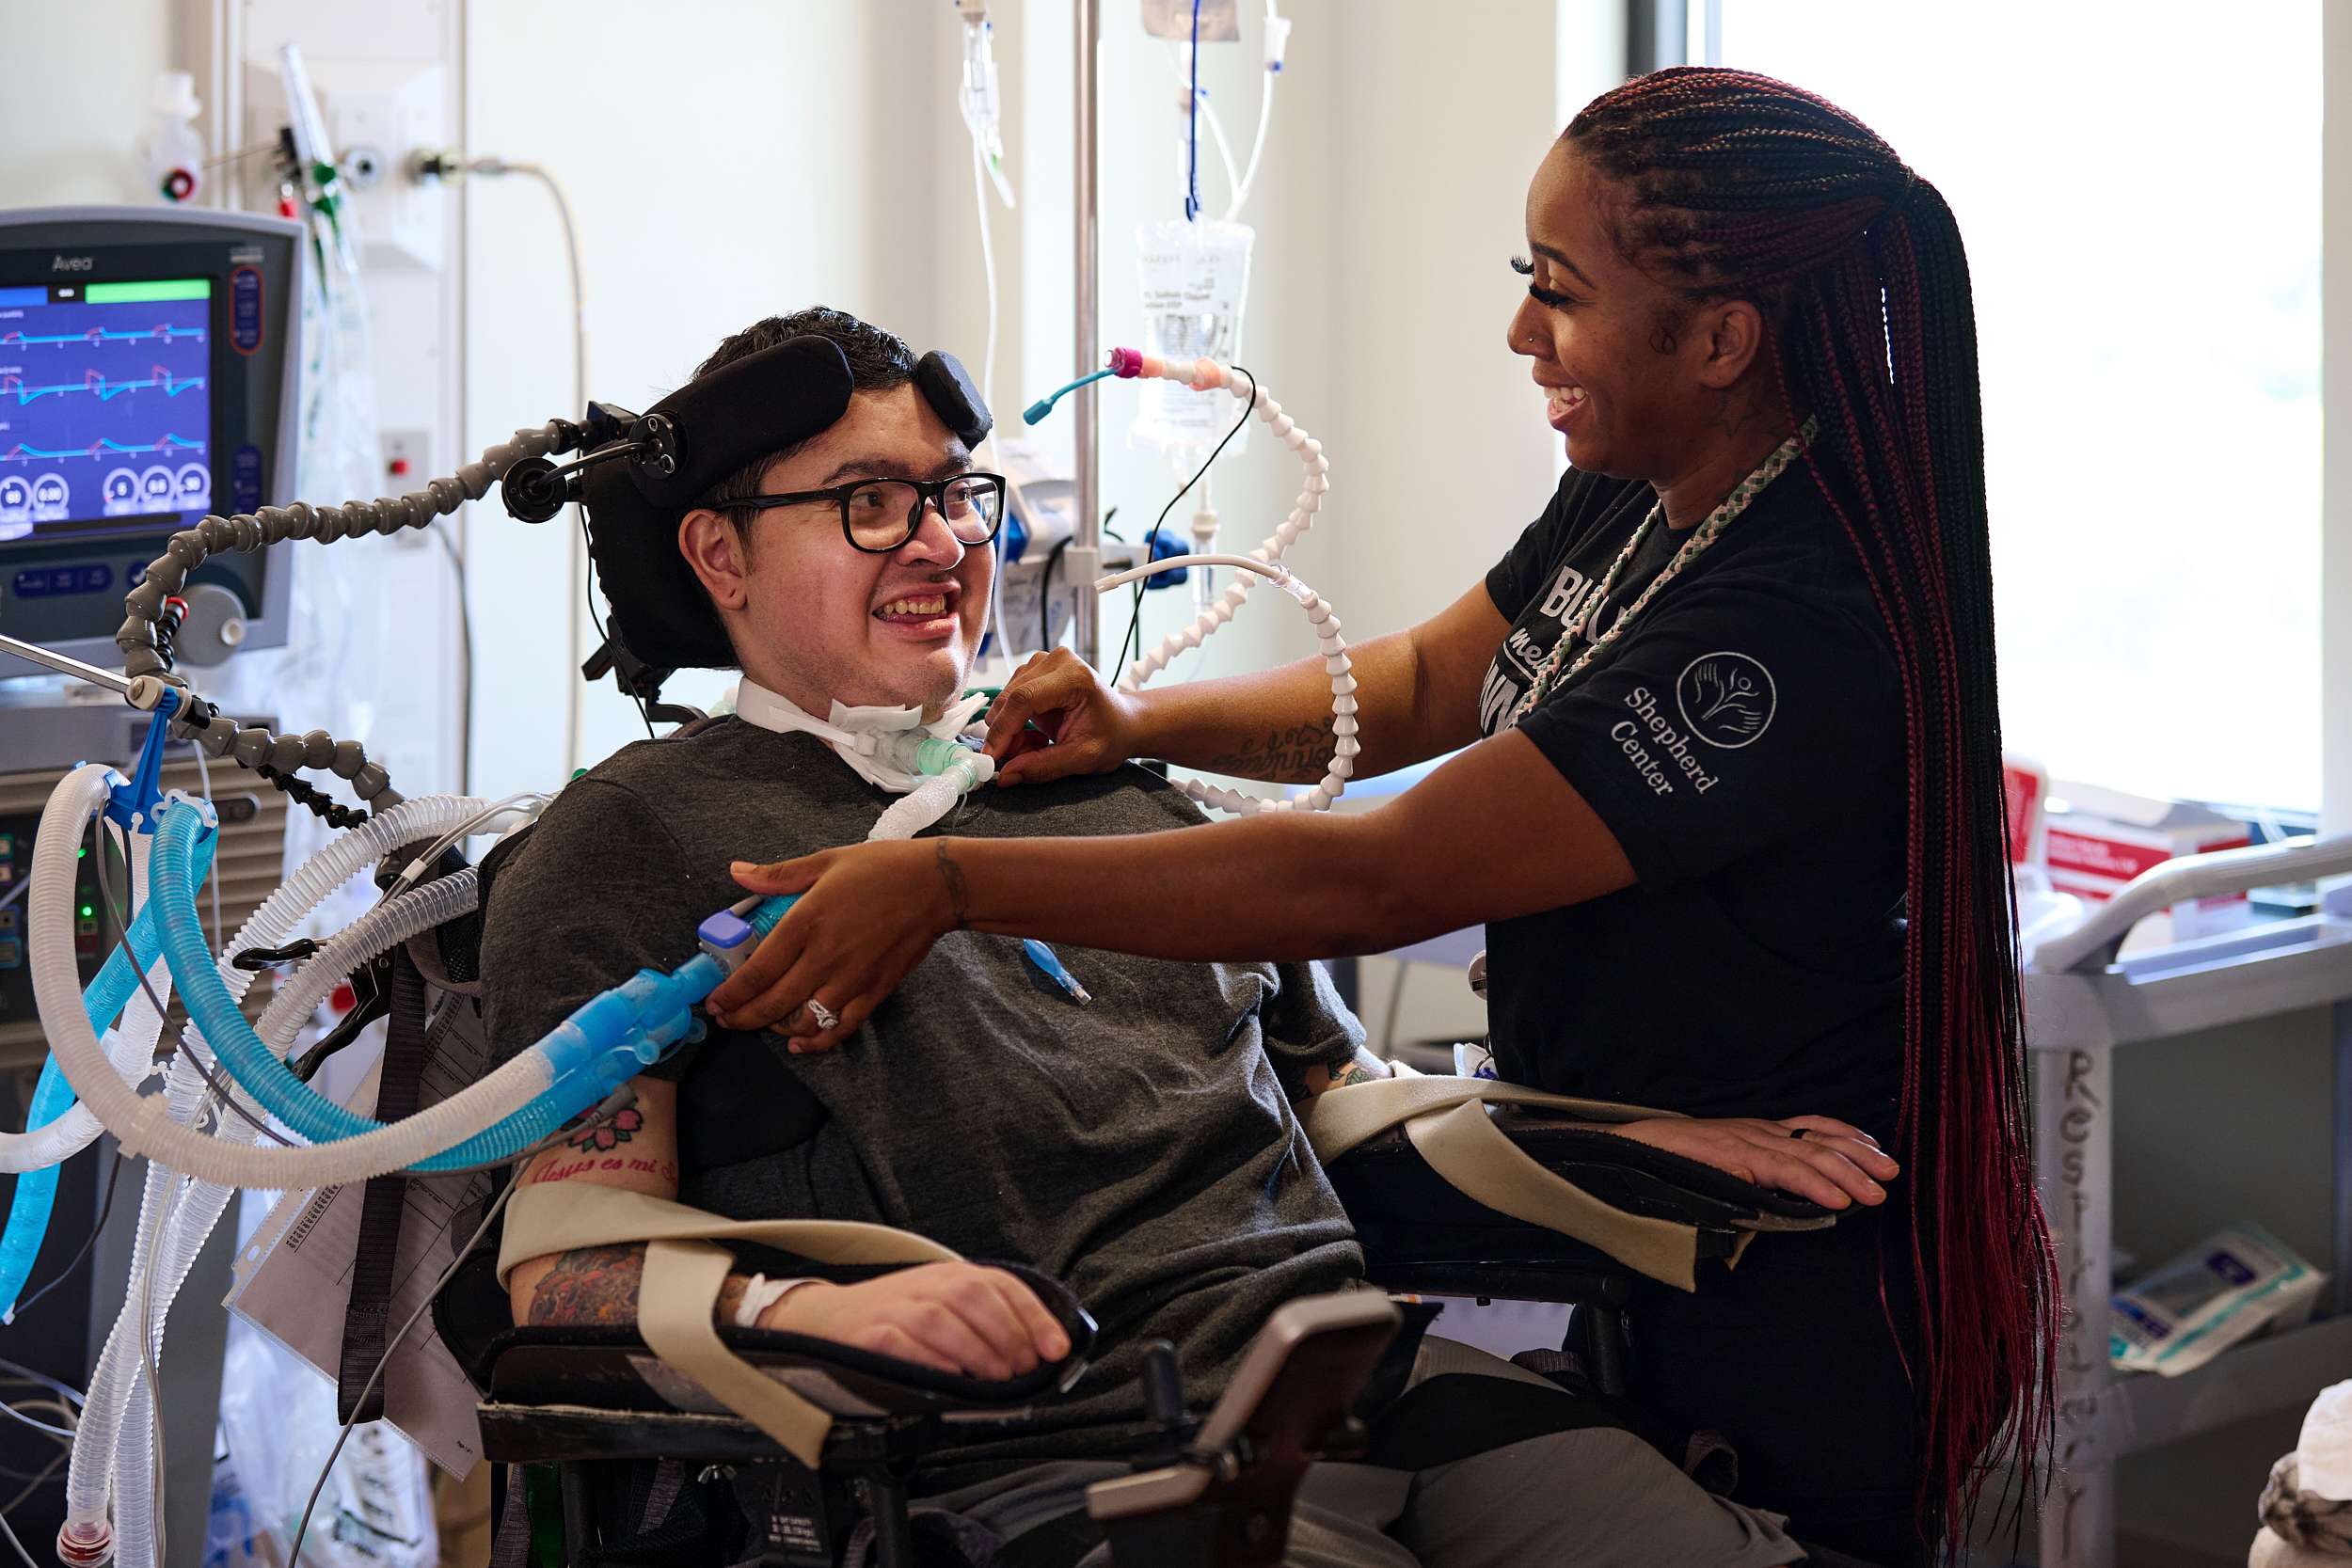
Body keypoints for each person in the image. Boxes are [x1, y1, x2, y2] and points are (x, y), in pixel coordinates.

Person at [701, 69, 2058, 1567]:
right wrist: (1147, 720)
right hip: (1504, 1226)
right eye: (864, 506)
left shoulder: (1791, 620)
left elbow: (1376, 882)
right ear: (714, 553)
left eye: (1562, 293)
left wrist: (952, 886)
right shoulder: (1647, 482)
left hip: (1780, 1249)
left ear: (1723, 341)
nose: (1522, 332)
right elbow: (1425, 678)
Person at [481, 306, 1837, 1566]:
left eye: (956, 496)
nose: (946, 545)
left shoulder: (1098, 779)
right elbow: (563, 1255)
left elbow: (1334, 1103)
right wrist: (816, 1313)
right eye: (868, 504)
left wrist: (1604, 1138)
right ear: (718, 553)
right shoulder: (638, 836)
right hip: (1071, 1448)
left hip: (1357, 1371)